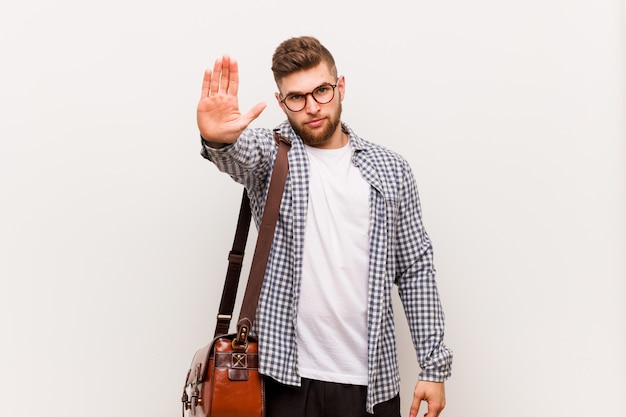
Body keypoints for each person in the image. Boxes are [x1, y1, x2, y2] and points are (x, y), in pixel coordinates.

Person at [197, 36, 452, 417]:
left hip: (371, 383)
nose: (312, 107)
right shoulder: (271, 155)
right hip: (283, 378)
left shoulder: (390, 169)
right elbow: (237, 153)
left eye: (322, 91)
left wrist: (433, 366)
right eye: (297, 97)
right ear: (282, 102)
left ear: (340, 86)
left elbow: (415, 268)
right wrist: (217, 138)